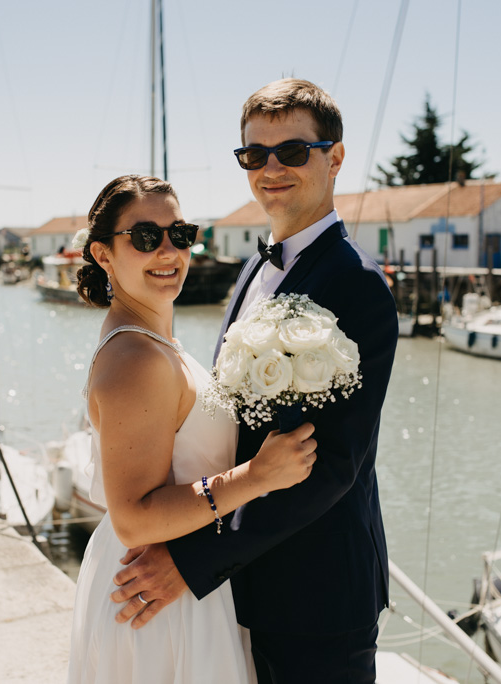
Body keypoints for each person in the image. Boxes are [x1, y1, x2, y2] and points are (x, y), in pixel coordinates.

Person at [110, 79, 400, 683]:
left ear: (335, 158)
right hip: (236, 591)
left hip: (317, 596)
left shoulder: (358, 286)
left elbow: (332, 465)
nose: (271, 168)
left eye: (292, 151)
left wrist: (190, 562)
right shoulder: (250, 270)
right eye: (254, 154)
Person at [67, 174, 318, 683]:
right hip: (157, 596)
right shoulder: (136, 357)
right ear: (103, 254)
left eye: (179, 234)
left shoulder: (150, 342)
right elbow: (134, 517)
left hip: (179, 577)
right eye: (144, 237)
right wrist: (258, 477)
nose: (168, 250)